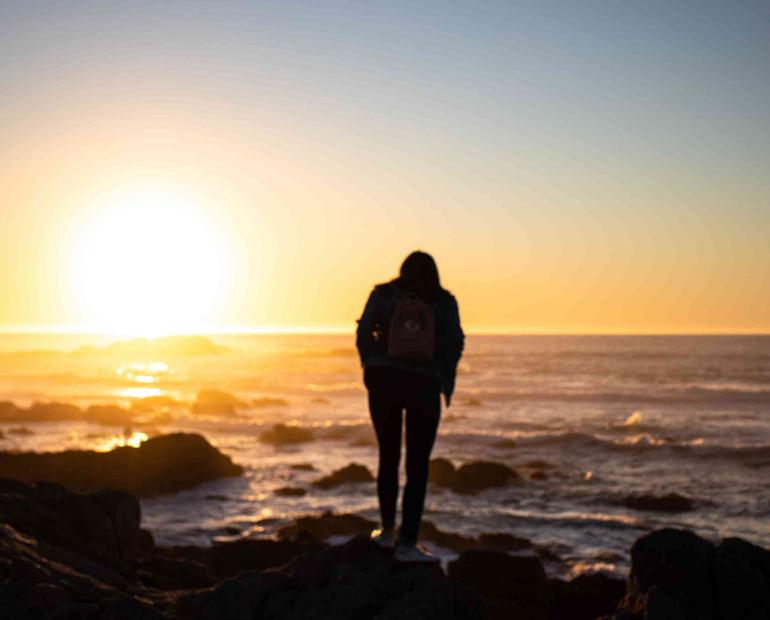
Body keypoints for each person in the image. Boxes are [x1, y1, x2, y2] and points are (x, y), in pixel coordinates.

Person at [356, 250, 464, 562]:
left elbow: (364, 331)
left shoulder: (383, 294)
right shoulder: (443, 301)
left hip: (384, 382)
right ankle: (407, 544)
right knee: (418, 466)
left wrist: (371, 365)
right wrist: (442, 374)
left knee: (388, 456)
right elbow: (455, 341)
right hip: (424, 386)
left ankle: (386, 533)